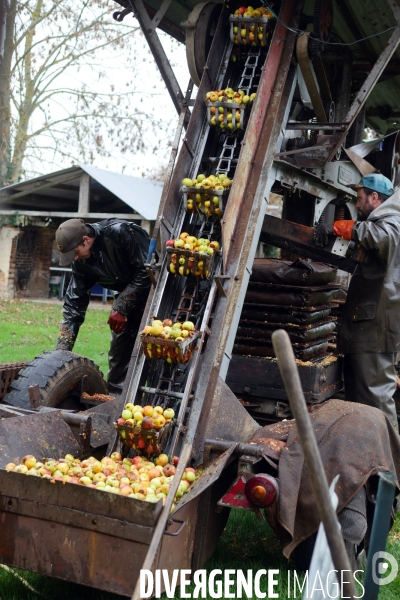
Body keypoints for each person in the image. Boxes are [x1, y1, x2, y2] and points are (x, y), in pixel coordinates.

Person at [314, 173, 400, 431]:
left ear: (375, 197)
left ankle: (389, 468)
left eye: (360, 198)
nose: (358, 203)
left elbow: (382, 238)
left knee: (375, 398)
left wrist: (339, 226)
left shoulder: (392, 221)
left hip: (374, 324)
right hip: (367, 323)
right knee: (360, 400)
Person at [55, 218, 151, 393]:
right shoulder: (80, 263)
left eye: (75, 252)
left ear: (86, 239)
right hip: (126, 304)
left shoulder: (121, 232)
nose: (74, 258)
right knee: (118, 358)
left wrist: (121, 305)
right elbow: (73, 305)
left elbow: (147, 270)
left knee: (159, 353)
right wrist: (61, 353)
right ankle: (116, 401)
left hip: (159, 296)